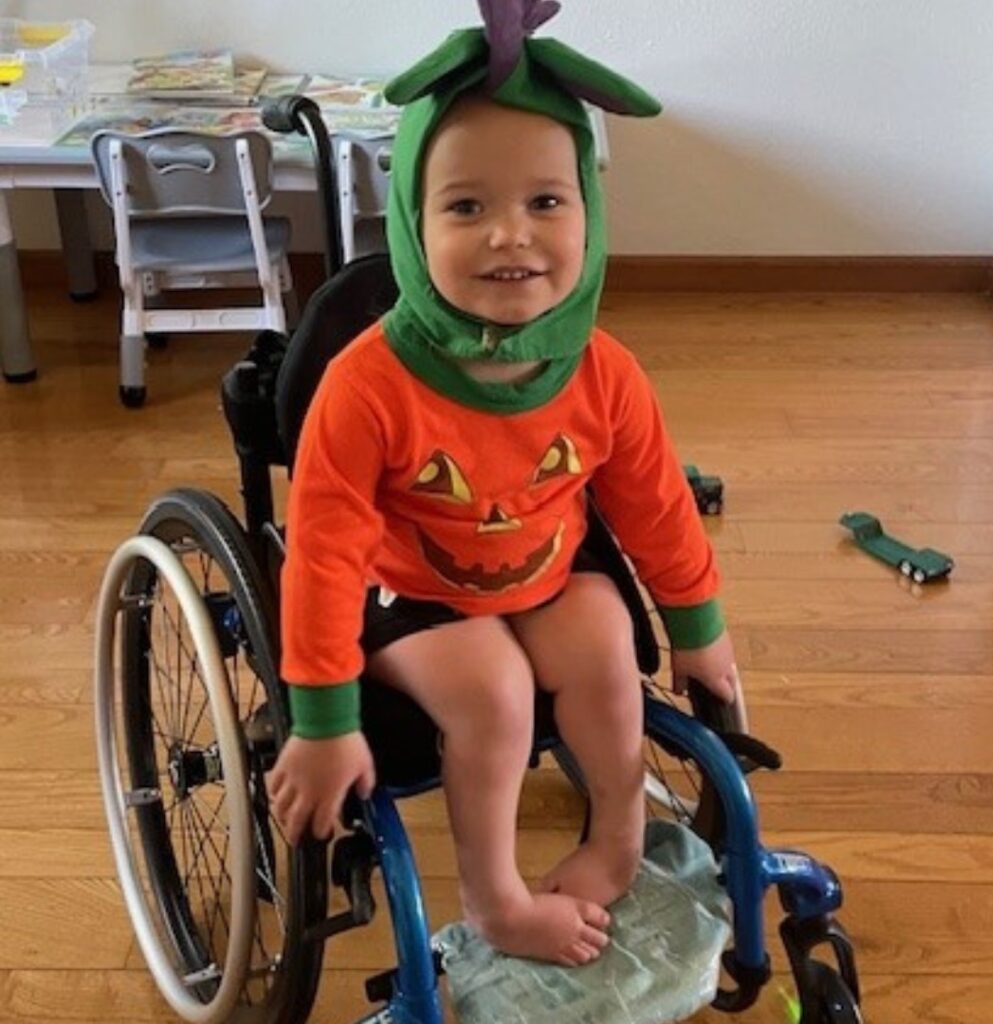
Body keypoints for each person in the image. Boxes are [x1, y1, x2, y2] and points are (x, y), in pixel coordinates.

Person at [267, 1, 738, 968]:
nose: (508, 236)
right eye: (467, 206)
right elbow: (322, 552)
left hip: (547, 565)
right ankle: (496, 901)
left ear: (589, 214)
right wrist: (321, 721)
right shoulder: (366, 387)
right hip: (410, 593)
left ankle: (615, 836)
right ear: (412, 219)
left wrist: (699, 631)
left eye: (546, 203)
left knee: (608, 642)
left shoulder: (603, 372)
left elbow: (656, 507)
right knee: (495, 692)